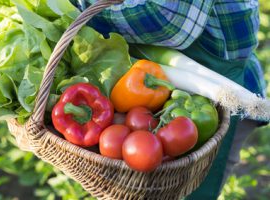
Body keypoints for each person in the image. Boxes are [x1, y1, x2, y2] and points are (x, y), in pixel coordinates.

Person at [70, 0, 267, 199]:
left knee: (191, 186)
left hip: (218, 86)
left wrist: (78, 10)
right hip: (148, 85)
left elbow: (168, 21)